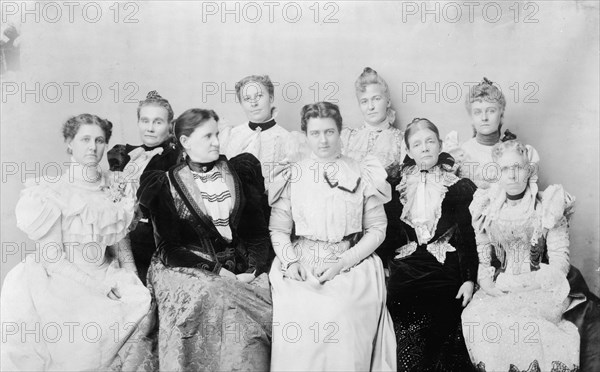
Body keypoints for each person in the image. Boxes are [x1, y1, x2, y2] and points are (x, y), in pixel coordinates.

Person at [0, 114, 151, 371]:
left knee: (140, 302)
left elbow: (120, 243)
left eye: (99, 140)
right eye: (85, 139)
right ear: (69, 143)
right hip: (62, 279)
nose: (93, 147)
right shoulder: (52, 190)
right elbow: (52, 258)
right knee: (81, 334)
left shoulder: (116, 185)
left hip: (106, 271)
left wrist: (134, 278)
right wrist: (96, 287)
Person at [137, 108, 272, 371]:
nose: (216, 142)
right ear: (185, 142)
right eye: (207, 136)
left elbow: (256, 233)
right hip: (184, 265)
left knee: (248, 306)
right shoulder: (168, 183)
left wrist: (253, 269)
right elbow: (168, 247)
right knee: (213, 292)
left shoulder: (237, 172)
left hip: (241, 266)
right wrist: (217, 270)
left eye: (217, 134)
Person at [268, 102, 396, 371]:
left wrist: (343, 262)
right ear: (306, 135)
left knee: (341, 311)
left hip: (350, 262)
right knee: (297, 311)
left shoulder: (361, 171)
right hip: (300, 261)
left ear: (340, 132)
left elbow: (377, 229)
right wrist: (291, 263)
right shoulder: (294, 173)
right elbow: (278, 230)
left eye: (329, 132)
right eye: (315, 133)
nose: (323, 140)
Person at [462, 140, 580, 372]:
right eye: (505, 169)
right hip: (503, 283)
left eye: (518, 167)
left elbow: (560, 260)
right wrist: (487, 283)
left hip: (540, 285)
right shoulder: (486, 207)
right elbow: (484, 255)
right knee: (482, 321)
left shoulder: (547, 205)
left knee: (528, 327)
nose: (512, 175)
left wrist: (535, 281)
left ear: (528, 170)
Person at [385, 118, 478, 371]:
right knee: (409, 331)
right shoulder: (396, 187)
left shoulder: (458, 187)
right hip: (407, 267)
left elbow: (470, 238)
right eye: (417, 144)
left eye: (430, 142)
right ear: (408, 151)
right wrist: (384, 266)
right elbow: (388, 231)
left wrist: (469, 279)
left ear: (439, 146)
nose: (424, 148)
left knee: (444, 331)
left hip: (444, 266)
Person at [107, 90, 181, 284]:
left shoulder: (177, 160)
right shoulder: (124, 154)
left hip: (151, 240)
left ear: (170, 126)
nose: (150, 128)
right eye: (145, 121)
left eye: (158, 122)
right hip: (114, 234)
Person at [341, 67, 406, 265]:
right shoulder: (348, 137)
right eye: (364, 101)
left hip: (385, 220)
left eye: (376, 99)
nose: (370, 106)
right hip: (346, 216)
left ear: (387, 101)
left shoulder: (400, 140)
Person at [445, 77, 538, 189]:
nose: (484, 118)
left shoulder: (513, 152)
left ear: (501, 115)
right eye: (478, 112)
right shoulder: (461, 153)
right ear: (471, 118)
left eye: (491, 111)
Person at [219, 74, 294, 187]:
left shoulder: (287, 139)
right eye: (247, 99)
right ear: (241, 104)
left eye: (259, 96)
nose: (253, 103)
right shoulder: (232, 135)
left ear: (271, 98)